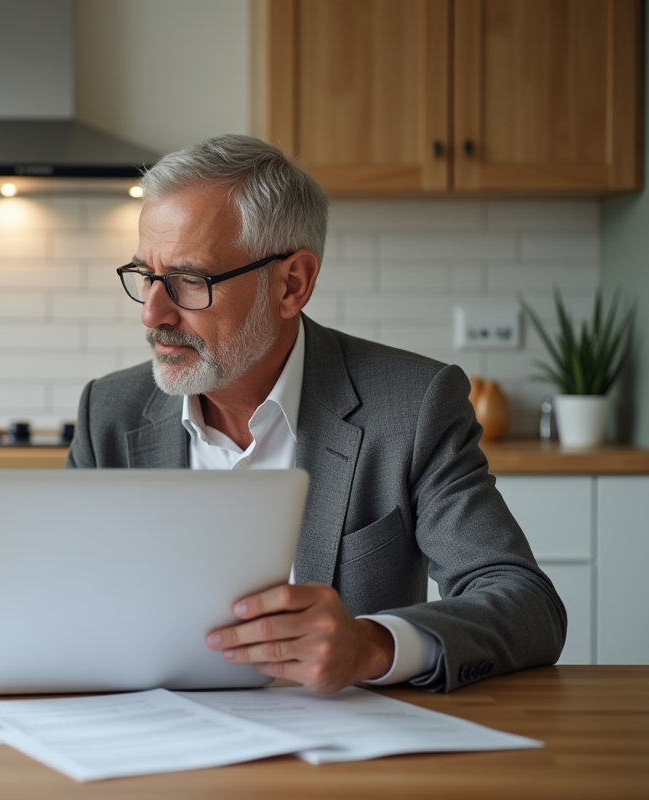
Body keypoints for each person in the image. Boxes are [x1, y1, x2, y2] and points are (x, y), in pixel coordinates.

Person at [67, 135, 566, 693]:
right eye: (146, 276)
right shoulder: (108, 414)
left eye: (190, 280)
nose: (153, 313)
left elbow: (526, 603)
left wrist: (373, 644)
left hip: (340, 759)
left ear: (292, 284)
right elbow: (57, 599)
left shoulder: (412, 405)